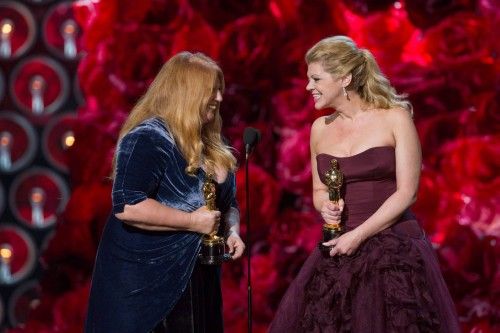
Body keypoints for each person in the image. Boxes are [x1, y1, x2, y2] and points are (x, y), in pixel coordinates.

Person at [269, 36, 460, 332]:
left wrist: (358, 236)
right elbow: (319, 191)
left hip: (392, 248)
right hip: (339, 246)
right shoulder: (319, 128)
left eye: (316, 78)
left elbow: (407, 193)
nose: (309, 87)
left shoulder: (395, 118)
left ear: (345, 78)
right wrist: (326, 207)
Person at [85, 52, 245, 333]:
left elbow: (227, 203)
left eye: (220, 89)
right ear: (187, 91)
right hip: (147, 287)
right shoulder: (148, 138)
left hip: (198, 280)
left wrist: (232, 231)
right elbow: (128, 206)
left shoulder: (214, 143)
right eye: (211, 90)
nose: (219, 98)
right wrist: (192, 222)